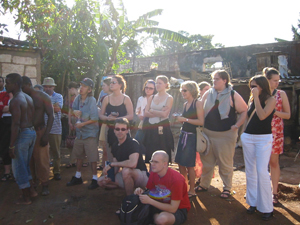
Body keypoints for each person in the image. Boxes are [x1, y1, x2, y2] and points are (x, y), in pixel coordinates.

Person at [196, 70, 247, 199]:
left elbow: (244, 110)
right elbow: (200, 108)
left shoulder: (233, 94)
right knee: (207, 162)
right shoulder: (208, 93)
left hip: (225, 135)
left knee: (225, 163)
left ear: (225, 80)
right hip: (208, 133)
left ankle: (227, 188)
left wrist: (236, 126)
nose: (214, 81)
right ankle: (204, 184)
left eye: (217, 79)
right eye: (213, 79)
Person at [241, 75, 276, 220]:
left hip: (263, 139)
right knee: (250, 171)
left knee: (262, 171)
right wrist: (242, 134)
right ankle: (253, 202)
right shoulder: (251, 99)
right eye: (251, 86)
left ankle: (267, 207)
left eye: (255, 86)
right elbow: (248, 118)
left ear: (262, 86)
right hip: (248, 137)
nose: (252, 89)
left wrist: (256, 99)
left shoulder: (271, 100)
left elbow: (262, 116)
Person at [134, 151, 191, 225]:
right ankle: (151, 218)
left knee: (161, 219)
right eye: (152, 161)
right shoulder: (154, 172)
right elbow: (150, 192)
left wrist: (150, 201)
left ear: (165, 164)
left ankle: (151, 218)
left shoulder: (176, 180)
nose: (152, 164)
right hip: (160, 203)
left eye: (156, 162)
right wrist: (141, 191)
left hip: (177, 209)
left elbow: (173, 208)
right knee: (137, 206)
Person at [5, 73, 36, 205]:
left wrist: (11, 145)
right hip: (31, 132)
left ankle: (25, 198)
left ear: (16, 84)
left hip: (23, 134)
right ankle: (32, 191)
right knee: (25, 165)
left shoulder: (16, 100)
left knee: (18, 168)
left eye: (8, 83)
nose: (6, 85)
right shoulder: (28, 98)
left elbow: (16, 124)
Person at [97, 118, 148, 195]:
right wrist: (108, 176)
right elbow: (116, 167)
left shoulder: (133, 143)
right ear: (114, 130)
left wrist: (113, 164)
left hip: (141, 175)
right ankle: (127, 185)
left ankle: (130, 199)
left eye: (123, 129)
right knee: (101, 181)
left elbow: (132, 164)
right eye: (117, 129)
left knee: (126, 171)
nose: (120, 131)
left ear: (127, 131)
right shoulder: (115, 145)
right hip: (126, 175)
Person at [22, 76, 54, 196]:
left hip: (39, 131)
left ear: (28, 84)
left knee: (42, 160)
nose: (21, 89)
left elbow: (51, 115)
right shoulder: (21, 97)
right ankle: (32, 183)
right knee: (28, 160)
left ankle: (45, 184)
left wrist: (46, 135)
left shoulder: (42, 96)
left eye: (23, 86)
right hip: (25, 132)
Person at [66, 78, 99, 190]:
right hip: (79, 133)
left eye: (84, 86)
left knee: (92, 157)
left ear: (89, 90)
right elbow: (74, 111)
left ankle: (95, 179)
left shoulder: (92, 100)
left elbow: (95, 119)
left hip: (90, 133)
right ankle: (78, 176)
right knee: (79, 156)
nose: (81, 88)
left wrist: (83, 124)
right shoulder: (77, 99)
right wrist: (75, 113)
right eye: (81, 85)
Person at [264, 67, 291, 205]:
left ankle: (274, 192)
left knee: (273, 162)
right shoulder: (260, 94)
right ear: (267, 80)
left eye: (278, 80)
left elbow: (287, 114)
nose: (277, 83)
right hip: (260, 132)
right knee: (260, 164)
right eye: (274, 80)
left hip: (276, 133)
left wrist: (274, 111)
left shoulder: (281, 94)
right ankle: (260, 191)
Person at [174, 81, 202, 198]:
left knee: (190, 164)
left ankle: (192, 190)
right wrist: (180, 119)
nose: (182, 92)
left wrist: (185, 120)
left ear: (192, 91)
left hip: (191, 136)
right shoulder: (186, 104)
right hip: (183, 134)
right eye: (181, 90)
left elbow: (201, 122)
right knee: (180, 162)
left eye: (185, 90)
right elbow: (186, 120)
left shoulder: (198, 103)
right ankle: (184, 187)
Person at [99, 75, 134, 161]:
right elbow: (101, 115)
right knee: (110, 154)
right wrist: (107, 118)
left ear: (120, 85)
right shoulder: (106, 99)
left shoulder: (126, 99)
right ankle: (111, 173)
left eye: (114, 82)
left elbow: (131, 116)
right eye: (110, 83)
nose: (111, 84)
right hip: (110, 130)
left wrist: (117, 119)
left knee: (125, 154)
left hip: (123, 130)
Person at [143, 75, 174, 163]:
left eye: (160, 83)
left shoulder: (169, 98)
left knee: (163, 152)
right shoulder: (151, 97)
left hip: (162, 128)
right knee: (150, 154)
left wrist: (152, 110)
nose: (157, 85)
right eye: (156, 83)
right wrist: (158, 112)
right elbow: (145, 113)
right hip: (151, 128)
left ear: (166, 84)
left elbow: (165, 114)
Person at [42, 77, 63, 181]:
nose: (48, 88)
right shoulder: (40, 96)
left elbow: (58, 108)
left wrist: (45, 107)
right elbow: (53, 108)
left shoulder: (59, 96)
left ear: (53, 87)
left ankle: (57, 171)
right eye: (46, 86)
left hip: (55, 129)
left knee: (56, 152)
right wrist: (51, 106)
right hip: (42, 128)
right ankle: (45, 172)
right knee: (43, 153)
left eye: (50, 86)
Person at [195, 81, 211, 185]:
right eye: (205, 89)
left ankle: (204, 178)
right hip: (198, 131)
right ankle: (197, 174)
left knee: (206, 155)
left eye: (209, 89)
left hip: (208, 130)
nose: (208, 91)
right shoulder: (196, 102)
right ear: (200, 90)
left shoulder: (211, 102)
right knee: (198, 155)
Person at [135, 79, 156, 144]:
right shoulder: (141, 99)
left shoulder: (156, 99)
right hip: (142, 124)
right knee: (137, 142)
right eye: (146, 87)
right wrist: (139, 115)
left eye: (151, 88)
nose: (148, 90)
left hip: (153, 125)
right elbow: (137, 111)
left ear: (154, 90)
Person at [98, 77, 112, 170]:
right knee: (105, 149)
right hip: (104, 124)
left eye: (104, 85)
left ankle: (113, 170)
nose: (102, 87)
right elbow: (98, 108)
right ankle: (104, 169)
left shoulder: (120, 97)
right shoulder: (103, 97)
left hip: (115, 126)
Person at [66, 81, 80, 168]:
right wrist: (70, 122)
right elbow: (70, 110)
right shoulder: (72, 98)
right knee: (71, 141)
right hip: (74, 119)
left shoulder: (80, 98)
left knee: (79, 141)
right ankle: (73, 160)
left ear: (72, 89)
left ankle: (78, 160)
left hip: (79, 120)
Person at [0, 91, 12, 181]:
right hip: (4, 123)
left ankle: (16, 172)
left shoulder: (20, 95)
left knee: (16, 147)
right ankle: (7, 172)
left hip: (17, 122)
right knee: (5, 146)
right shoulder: (2, 94)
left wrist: (5, 107)